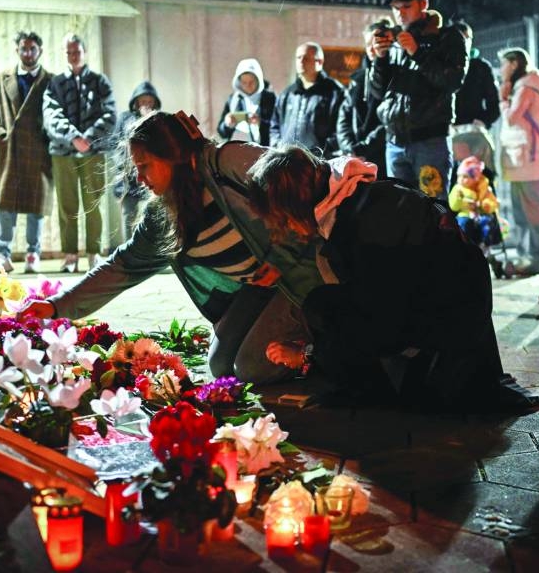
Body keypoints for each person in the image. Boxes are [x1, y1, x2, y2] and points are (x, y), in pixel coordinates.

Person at [20, 111, 318, 384]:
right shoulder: (163, 215)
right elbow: (122, 265)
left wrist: (283, 259)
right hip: (256, 291)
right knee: (220, 365)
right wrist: (56, 305)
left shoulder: (227, 164)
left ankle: (317, 349)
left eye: (145, 166)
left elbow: (299, 183)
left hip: (298, 280)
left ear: (173, 156)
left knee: (252, 367)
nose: (139, 178)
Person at [248, 146, 539, 413]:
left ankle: (377, 392)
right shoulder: (357, 193)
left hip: (450, 327)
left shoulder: (363, 225)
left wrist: (308, 356)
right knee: (329, 303)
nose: (285, 228)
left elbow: (381, 322)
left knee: (321, 306)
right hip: (454, 307)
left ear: (295, 204)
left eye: (282, 218)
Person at [370, 0, 468, 200]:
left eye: (406, 6)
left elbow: (452, 81)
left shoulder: (446, 37)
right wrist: (380, 59)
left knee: (434, 208)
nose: (400, 13)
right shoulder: (393, 40)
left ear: (424, 4)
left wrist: (418, 53)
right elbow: (378, 92)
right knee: (400, 210)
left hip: (430, 141)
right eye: (395, 8)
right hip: (394, 142)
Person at [42, 33, 117, 273]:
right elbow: (51, 115)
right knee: (67, 206)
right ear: (65, 54)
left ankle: (94, 254)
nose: (73, 56)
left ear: (85, 52)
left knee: (93, 203)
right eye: (69, 52)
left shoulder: (100, 81)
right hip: (62, 153)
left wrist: (89, 137)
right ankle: (70, 255)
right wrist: (73, 136)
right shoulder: (55, 83)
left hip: (93, 152)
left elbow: (110, 113)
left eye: (77, 51)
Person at [0, 31, 53, 274]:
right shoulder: (1, 80)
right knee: (6, 204)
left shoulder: (51, 81)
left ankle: (33, 253)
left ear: (40, 51)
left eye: (32, 48)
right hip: (9, 151)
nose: (28, 53)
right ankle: (2, 253)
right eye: (24, 48)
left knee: (36, 205)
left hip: (38, 151)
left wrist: (50, 140)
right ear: (17, 50)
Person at [497, 48, 539, 276]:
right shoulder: (525, 85)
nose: (501, 69)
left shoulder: (527, 87)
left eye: (503, 64)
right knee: (522, 209)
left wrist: (503, 100)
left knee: (532, 207)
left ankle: (537, 256)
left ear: (514, 64)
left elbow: (512, 118)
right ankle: (526, 255)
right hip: (522, 158)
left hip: (529, 157)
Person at [108, 81, 162, 244]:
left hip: (151, 177)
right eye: (143, 100)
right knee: (128, 215)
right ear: (136, 102)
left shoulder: (159, 120)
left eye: (150, 101)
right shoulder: (125, 118)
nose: (146, 104)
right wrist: (122, 165)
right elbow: (114, 144)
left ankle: (150, 251)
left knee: (153, 216)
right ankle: (128, 250)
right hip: (128, 177)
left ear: (155, 103)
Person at [269, 42, 345, 156]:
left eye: (306, 58)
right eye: (298, 58)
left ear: (319, 62)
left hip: (320, 160)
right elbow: (275, 125)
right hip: (287, 159)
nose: (301, 62)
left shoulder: (335, 92)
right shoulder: (288, 93)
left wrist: (324, 150)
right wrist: (278, 146)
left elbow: (342, 128)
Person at [336, 19, 390, 176]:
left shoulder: (394, 75)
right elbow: (344, 116)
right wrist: (350, 148)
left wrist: (363, 148)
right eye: (368, 44)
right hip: (356, 155)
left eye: (375, 43)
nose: (372, 49)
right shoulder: (357, 79)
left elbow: (389, 119)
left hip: (382, 154)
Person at [450, 19, 500, 170]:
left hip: (474, 135)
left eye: (468, 38)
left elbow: (494, 102)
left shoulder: (480, 67)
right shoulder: (441, 66)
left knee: (480, 179)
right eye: (461, 38)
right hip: (449, 133)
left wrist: (484, 121)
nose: (465, 43)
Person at [217, 58, 276, 145]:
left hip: (266, 149)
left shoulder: (270, 99)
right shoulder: (234, 100)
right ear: (239, 82)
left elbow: (278, 128)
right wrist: (227, 124)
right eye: (244, 82)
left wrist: (261, 123)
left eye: (251, 82)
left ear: (258, 80)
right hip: (240, 150)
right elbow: (222, 132)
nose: (248, 86)